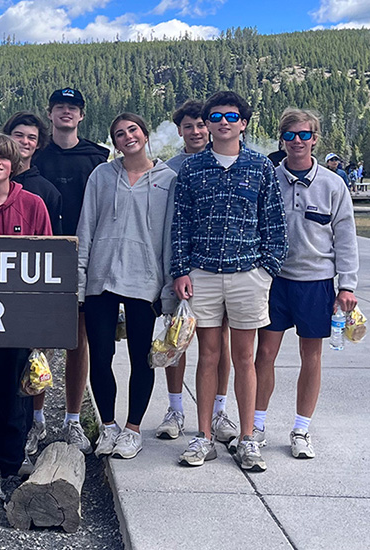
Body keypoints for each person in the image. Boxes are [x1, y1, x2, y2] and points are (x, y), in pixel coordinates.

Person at [171, 91, 287, 471]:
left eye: (231, 116)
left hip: (247, 274)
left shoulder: (260, 167)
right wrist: (181, 270)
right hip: (202, 274)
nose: (223, 122)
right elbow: (180, 224)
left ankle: (249, 438)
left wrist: (265, 269)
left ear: (244, 123)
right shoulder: (192, 169)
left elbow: (274, 225)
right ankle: (203, 437)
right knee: (208, 355)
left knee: (245, 358)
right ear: (207, 124)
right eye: (215, 116)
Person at [254, 108, 359, 459]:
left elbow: (345, 237)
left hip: (315, 283)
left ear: (314, 138)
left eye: (304, 135)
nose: (297, 142)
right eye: (290, 135)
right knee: (264, 354)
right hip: (275, 280)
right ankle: (256, 425)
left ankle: (301, 429)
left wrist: (347, 285)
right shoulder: (268, 178)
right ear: (281, 139)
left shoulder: (333, 184)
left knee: (310, 356)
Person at [0, 111, 62, 472]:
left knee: (13, 393)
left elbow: (50, 261)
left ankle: (11, 463)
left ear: (14, 163)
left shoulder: (33, 203)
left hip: (15, 316)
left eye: (4, 157)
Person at [78, 113, 175, 459]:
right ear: (114, 143)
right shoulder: (102, 175)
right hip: (101, 278)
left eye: (132, 130)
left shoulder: (168, 180)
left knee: (141, 358)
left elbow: (169, 238)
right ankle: (108, 426)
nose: (127, 137)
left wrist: (167, 290)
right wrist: (80, 281)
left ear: (145, 135)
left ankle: (133, 429)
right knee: (101, 357)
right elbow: (86, 227)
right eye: (119, 134)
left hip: (144, 279)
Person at [32, 87, 109, 455]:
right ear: (50, 113)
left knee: (79, 341)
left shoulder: (98, 157)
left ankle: (74, 420)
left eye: (73, 108)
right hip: (42, 259)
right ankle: (36, 417)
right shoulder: (35, 156)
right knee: (38, 340)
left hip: (83, 258)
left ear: (81, 116)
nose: (66, 112)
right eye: (60, 107)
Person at [158, 100, 238, 444]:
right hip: (179, 267)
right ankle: (175, 409)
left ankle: (218, 411)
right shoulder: (167, 170)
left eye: (200, 125)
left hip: (215, 268)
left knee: (218, 342)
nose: (195, 132)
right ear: (179, 130)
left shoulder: (225, 165)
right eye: (188, 126)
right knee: (177, 340)